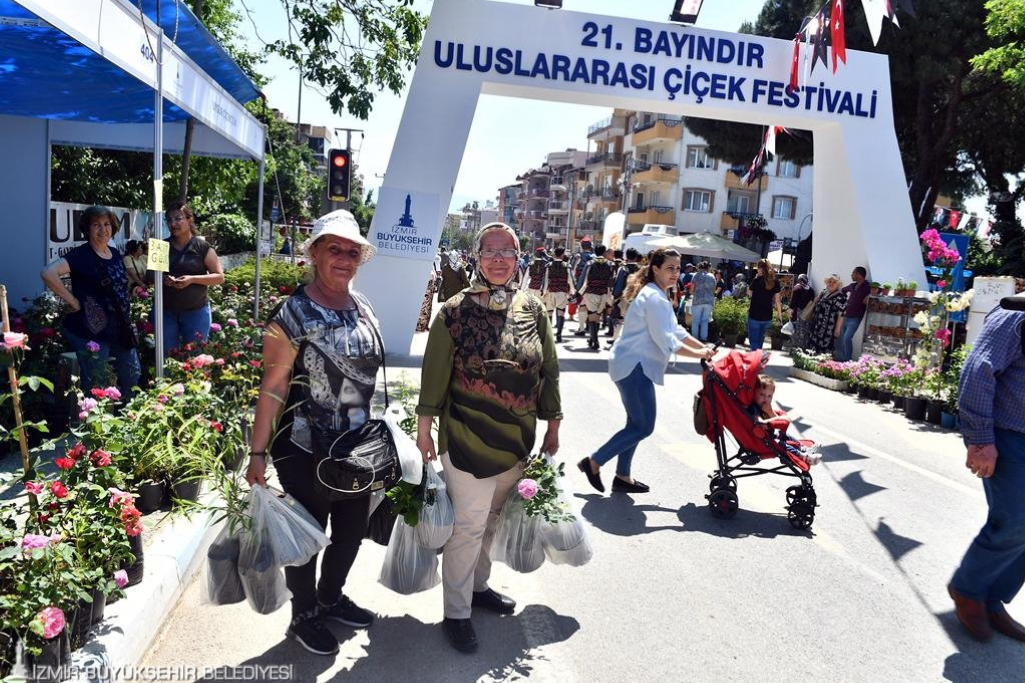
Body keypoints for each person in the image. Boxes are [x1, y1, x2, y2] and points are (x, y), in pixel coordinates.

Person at [416, 222, 562, 654]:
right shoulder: (454, 311)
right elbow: (434, 377)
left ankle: (477, 589)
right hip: (466, 440)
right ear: (477, 257)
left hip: (516, 442)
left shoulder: (534, 308)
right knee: (467, 527)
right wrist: (425, 432)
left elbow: (548, 369)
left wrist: (553, 423)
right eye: (490, 251)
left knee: (492, 523)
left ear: (519, 260)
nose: (499, 259)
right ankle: (456, 612)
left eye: (508, 252)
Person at [246, 209, 383, 657]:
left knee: (350, 532)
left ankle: (331, 597)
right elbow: (274, 384)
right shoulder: (292, 313)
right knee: (307, 537)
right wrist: (258, 453)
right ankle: (304, 613)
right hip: (305, 447)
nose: (343, 258)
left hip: (357, 449)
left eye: (351, 251)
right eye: (334, 249)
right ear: (315, 253)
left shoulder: (363, 305)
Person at [578, 248, 713, 494]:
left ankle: (622, 476)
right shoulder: (654, 297)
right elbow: (668, 341)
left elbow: (677, 331)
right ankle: (594, 461)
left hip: (632, 364)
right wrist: (699, 355)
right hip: (634, 366)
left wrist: (702, 347)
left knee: (635, 423)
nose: (675, 273)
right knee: (643, 426)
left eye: (678, 268)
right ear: (655, 269)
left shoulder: (658, 294)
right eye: (670, 268)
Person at [948, 302, 1025, 643]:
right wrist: (979, 440)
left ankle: (990, 599)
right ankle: (967, 589)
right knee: (1013, 521)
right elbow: (978, 370)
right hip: (1011, 437)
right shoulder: (1016, 314)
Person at [41, 206, 141, 397]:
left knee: (132, 375)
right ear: (87, 229)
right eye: (96, 225)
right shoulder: (81, 255)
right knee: (97, 383)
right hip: (91, 330)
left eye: (106, 224)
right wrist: (74, 301)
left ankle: (131, 419)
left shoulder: (114, 253)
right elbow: (48, 273)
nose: (103, 229)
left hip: (120, 327)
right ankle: (92, 424)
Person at [160, 201, 225, 356]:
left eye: (178, 219)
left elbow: (219, 277)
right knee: (167, 357)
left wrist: (192, 279)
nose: (173, 223)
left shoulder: (202, 247)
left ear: (189, 220)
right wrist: (163, 279)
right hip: (166, 312)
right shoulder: (162, 246)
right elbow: (149, 274)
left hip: (196, 312)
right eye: (169, 220)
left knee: (197, 358)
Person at [747, 376, 821, 466]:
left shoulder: (765, 407)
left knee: (785, 435)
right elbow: (759, 423)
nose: (765, 398)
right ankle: (803, 456)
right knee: (780, 444)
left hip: (771, 435)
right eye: (762, 394)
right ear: (754, 393)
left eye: (769, 396)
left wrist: (770, 412)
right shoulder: (754, 408)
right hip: (763, 441)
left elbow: (774, 419)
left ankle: (803, 448)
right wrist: (778, 419)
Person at [578, 244, 616, 351]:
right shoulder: (611, 264)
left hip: (591, 293)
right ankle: (592, 339)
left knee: (592, 317)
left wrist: (578, 292)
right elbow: (612, 280)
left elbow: (583, 279)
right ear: (605, 252)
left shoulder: (590, 263)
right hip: (604, 293)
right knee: (597, 317)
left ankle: (595, 341)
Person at [746, 259, 784, 351]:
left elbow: (749, 293)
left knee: (754, 340)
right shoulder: (775, 282)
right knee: (760, 340)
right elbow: (778, 301)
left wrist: (756, 277)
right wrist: (780, 316)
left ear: (760, 268)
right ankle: (758, 359)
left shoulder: (756, 280)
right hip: (767, 316)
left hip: (754, 314)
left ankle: (755, 360)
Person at [608, 248, 642, 343]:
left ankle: (615, 338)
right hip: (637, 297)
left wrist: (615, 296)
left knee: (620, 318)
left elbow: (618, 283)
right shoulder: (641, 270)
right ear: (636, 257)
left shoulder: (623, 268)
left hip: (623, 297)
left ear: (626, 256)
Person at [837, 266, 870, 361]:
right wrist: (843, 303)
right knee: (843, 338)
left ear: (859, 275)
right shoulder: (852, 286)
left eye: (853, 273)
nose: (851, 275)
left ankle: (847, 360)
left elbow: (879, 291)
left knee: (847, 338)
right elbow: (843, 290)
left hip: (855, 317)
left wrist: (868, 296)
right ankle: (843, 359)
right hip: (846, 315)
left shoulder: (868, 287)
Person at [808, 274, 847, 355]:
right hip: (817, 325)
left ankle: (823, 365)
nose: (831, 284)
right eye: (830, 281)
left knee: (825, 350)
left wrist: (838, 328)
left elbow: (841, 313)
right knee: (813, 347)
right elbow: (816, 302)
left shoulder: (840, 297)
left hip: (829, 328)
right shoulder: (824, 292)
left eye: (834, 282)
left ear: (838, 285)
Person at [542, 246, 573, 342]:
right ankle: (559, 335)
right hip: (562, 293)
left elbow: (546, 280)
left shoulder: (549, 265)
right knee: (561, 313)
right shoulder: (566, 265)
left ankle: (549, 335)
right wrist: (572, 291)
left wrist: (543, 292)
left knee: (549, 313)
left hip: (551, 292)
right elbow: (570, 280)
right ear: (562, 254)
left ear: (555, 254)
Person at [571, 236, 595, 335]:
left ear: (581, 246)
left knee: (582, 305)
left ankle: (581, 328)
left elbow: (572, 271)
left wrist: (573, 286)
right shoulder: (595, 257)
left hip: (580, 284)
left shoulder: (578, 256)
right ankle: (589, 326)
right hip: (593, 284)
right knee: (591, 306)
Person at [690, 261, 716, 342]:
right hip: (709, 301)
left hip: (697, 300)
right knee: (705, 321)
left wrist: (693, 293)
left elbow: (691, 290)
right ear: (708, 268)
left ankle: (695, 339)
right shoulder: (712, 276)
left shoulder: (696, 275)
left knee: (695, 321)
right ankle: (703, 338)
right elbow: (714, 290)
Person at [788, 274, 815, 350]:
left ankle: (795, 349)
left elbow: (793, 302)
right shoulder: (811, 290)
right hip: (807, 314)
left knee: (796, 331)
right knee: (805, 331)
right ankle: (803, 349)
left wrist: (790, 312)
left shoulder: (797, 288)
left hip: (797, 313)